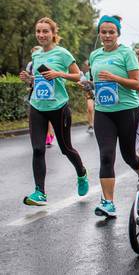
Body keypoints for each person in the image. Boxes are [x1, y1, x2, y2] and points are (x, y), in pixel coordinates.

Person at [19, 17, 88, 206]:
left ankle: (81, 173)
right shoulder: (37, 55)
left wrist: (59, 74)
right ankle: (39, 192)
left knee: (66, 149)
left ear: (53, 34)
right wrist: (30, 79)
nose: (41, 35)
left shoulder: (63, 53)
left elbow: (78, 77)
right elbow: (41, 80)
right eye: (38, 31)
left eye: (45, 31)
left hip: (59, 107)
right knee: (38, 149)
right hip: (38, 105)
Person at [89, 15, 139, 217]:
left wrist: (114, 78)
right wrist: (88, 85)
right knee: (106, 155)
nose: (107, 35)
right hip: (103, 112)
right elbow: (94, 82)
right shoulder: (95, 55)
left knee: (129, 156)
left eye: (111, 32)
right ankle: (108, 203)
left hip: (127, 110)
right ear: (99, 34)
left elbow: (137, 84)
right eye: (104, 32)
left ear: (118, 33)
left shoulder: (127, 53)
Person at [79, 60, 95, 133]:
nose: (88, 66)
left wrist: (89, 82)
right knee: (90, 108)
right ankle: (90, 125)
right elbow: (84, 84)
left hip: (99, 92)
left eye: (89, 65)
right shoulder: (86, 74)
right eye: (87, 65)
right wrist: (82, 84)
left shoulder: (96, 72)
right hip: (90, 92)